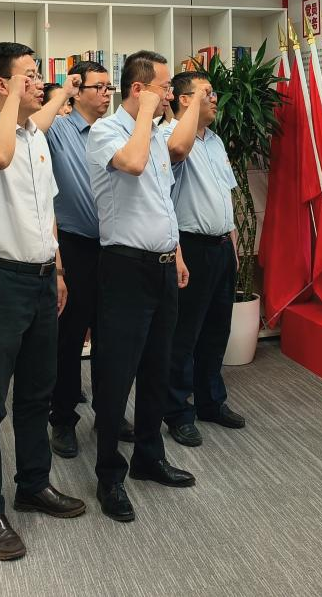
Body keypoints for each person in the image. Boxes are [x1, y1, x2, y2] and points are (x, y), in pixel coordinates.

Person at [0, 43, 86, 562]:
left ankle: (33, 484)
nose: (40, 83)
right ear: (2, 85)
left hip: (39, 279)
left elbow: (46, 209)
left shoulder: (37, 136)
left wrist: (57, 269)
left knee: (37, 394)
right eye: (29, 76)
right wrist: (17, 102)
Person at [85, 49, 203, 522]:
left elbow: (161, 199)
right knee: (117, 373)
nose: (169, 94)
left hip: (161, 266)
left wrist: (176, 252)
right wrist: (146, 118)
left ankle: (150, 457)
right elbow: (133, 165)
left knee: (158, 365)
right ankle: (109, 475)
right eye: (163, 87)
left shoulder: (154, 135)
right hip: (124, 268)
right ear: (138, 89)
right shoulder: (106, 132)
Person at [162, 72, 247, 446]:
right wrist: (178, 253)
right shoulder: (169, 137)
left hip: (221, 247)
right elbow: (166, 196)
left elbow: (225, 195)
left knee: (216, 330)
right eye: (206, 93)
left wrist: (233, 245)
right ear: (184, 99)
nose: (215, 98)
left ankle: (211, 401)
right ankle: (178, 412)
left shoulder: (214, 140)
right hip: (190, 247)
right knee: (184, 335)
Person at [37, 61, 113, 458]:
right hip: (73, 245)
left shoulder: (112, 130)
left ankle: (108, 413)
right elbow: (31, 128)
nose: (106, 94)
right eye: (98, 87)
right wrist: (62, 93)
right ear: (78, 91)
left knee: (110, 337)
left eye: (109, 87)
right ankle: (63, 418)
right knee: (68, 339)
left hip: (114, 247)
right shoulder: (60, 129)